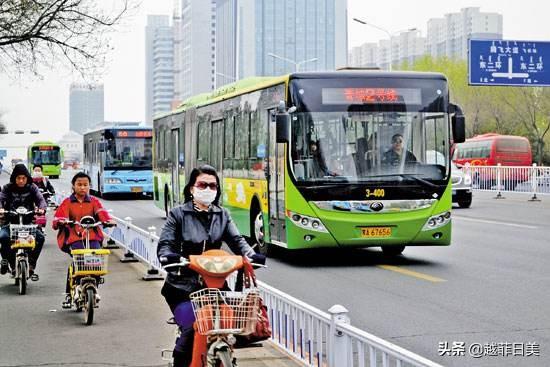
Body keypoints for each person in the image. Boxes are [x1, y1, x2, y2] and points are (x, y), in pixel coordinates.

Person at [157, 164, 265, 367]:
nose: (208, 190)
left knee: (229, 324)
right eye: (202, 184)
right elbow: (165, 244)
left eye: (213, 186)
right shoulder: (178, 214)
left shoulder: (222, 214)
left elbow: (237, 241)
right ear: (191, 188)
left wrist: (251, 256)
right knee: (191, 328)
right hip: (181, 287)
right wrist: (168, 257)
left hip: (215, 285)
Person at [52, 172, 115, 307]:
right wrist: (61, 221)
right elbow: (59, 216)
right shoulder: (67, 202)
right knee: (78, 260)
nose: (82, 187)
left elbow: (101, 212)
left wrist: (107, 220)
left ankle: (94, 286)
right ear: (73, 186)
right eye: (79, 185)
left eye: (85, 185)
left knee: (97, 258)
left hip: (92, 236)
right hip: (73, 237)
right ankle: (69, 294)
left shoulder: (94, 201)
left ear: (89, 186)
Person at [0, 164, 46, 279]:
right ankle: (8, 262)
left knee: (40, 238)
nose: (21, 181)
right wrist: (1, 208)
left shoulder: (32, 188)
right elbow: (1, 198)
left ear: (27, 178)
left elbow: (41, 199)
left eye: (23, 178)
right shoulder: (7, 188)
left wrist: (42, 208)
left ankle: (31, 264)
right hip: (9, 223)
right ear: (14, 178)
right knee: (3, 237)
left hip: (28, 223)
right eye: (18, 178)